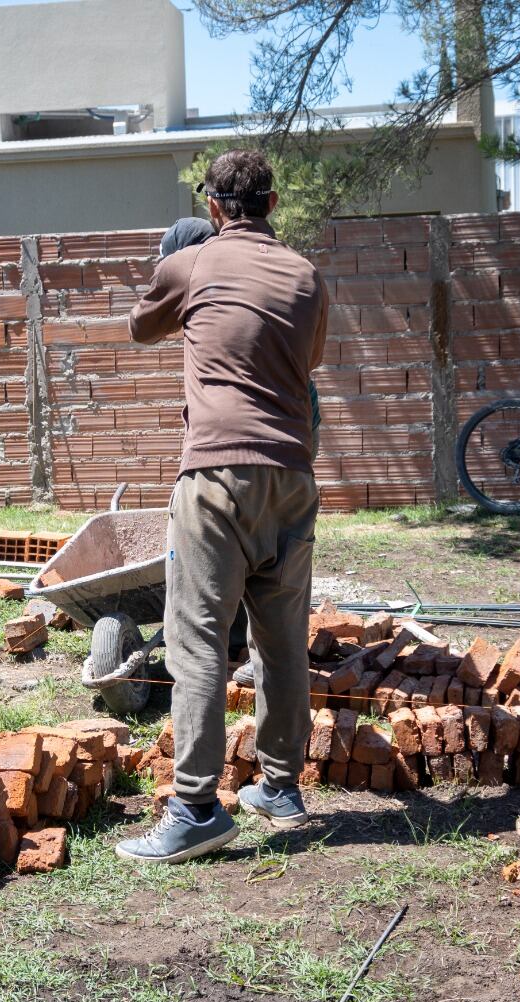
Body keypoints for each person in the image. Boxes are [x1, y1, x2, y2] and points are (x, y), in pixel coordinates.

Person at [116, 149, 329, 864]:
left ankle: (198, 809)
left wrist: (175, 279)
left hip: (216, 476)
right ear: (272, 205)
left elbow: (140, 328)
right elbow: (308, 360)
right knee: (280, 639)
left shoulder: (195, 262)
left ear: (213, 209)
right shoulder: (306, 274)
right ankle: (279, 786)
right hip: (294, 476)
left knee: (199, 642)